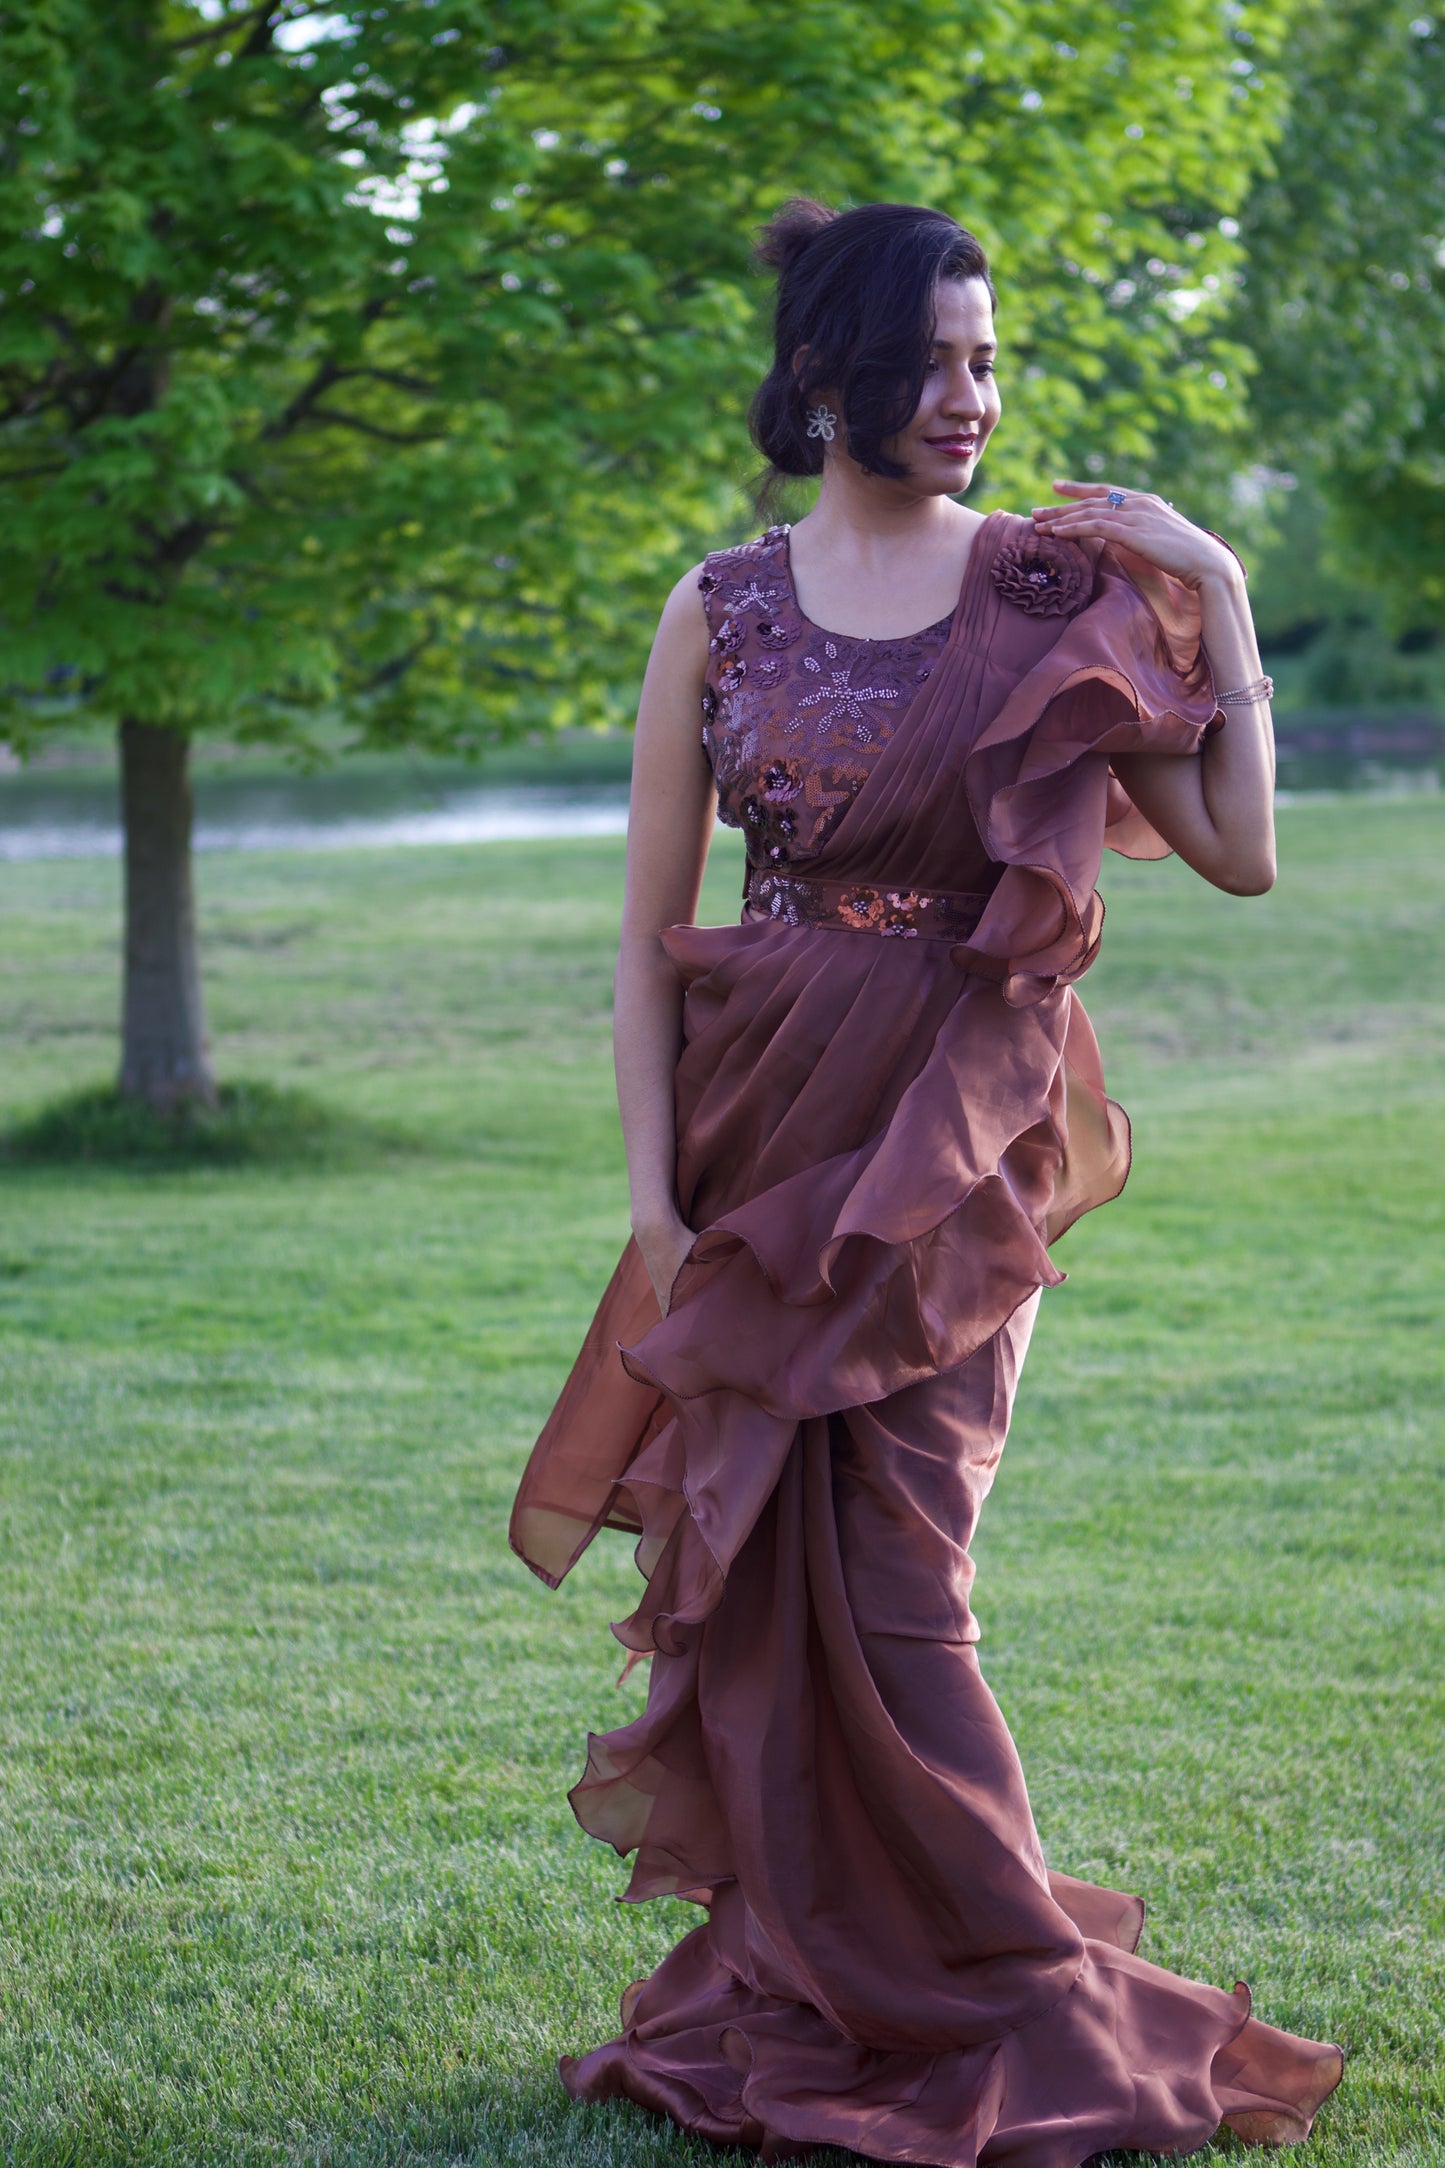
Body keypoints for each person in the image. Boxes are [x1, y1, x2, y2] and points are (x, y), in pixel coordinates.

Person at [510, 198, 1343, 2165]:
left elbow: (1238, 849)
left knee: (905, 1578)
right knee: (766, 1587)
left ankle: (1014, 1997)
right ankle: (831, 1974)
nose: (974, 398)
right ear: (826, 383)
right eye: (935, 365)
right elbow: (645, 938)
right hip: (761, 1125)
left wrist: (1213, 582)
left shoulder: (1056, 589)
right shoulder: (719, 607)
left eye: (988, 357)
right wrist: (651, 1204)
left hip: (955, 1139)